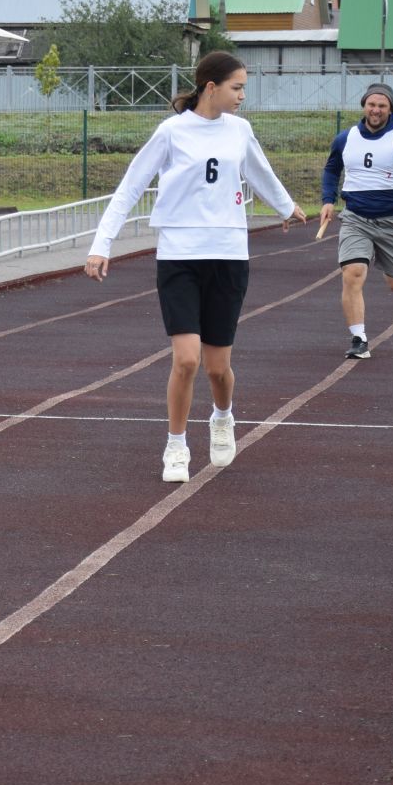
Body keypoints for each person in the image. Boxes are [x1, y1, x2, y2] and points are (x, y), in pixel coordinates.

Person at [84, 51, 306, 483]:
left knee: (216, 368)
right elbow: (130, 187)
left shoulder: (240, 131)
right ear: (211, 87)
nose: (243, 96)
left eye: (243, 88)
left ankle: (222, 417)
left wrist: (286, 207)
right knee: (185, 360)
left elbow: (260, 174)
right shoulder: (172, 132)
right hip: (179, 255)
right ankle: (176, 445)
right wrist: (100, 244)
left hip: (227, 255)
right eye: (237, 87)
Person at [318, 83, 393, 359]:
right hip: (356, 218)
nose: (376, 110)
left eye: (382, 105)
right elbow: (332, 169)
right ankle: (359, 338)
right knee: (352, 274)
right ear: (364, 106)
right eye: (371, 104)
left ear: (390, 108)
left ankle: (382, 256)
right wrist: (328, 200)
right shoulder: (345, 138)